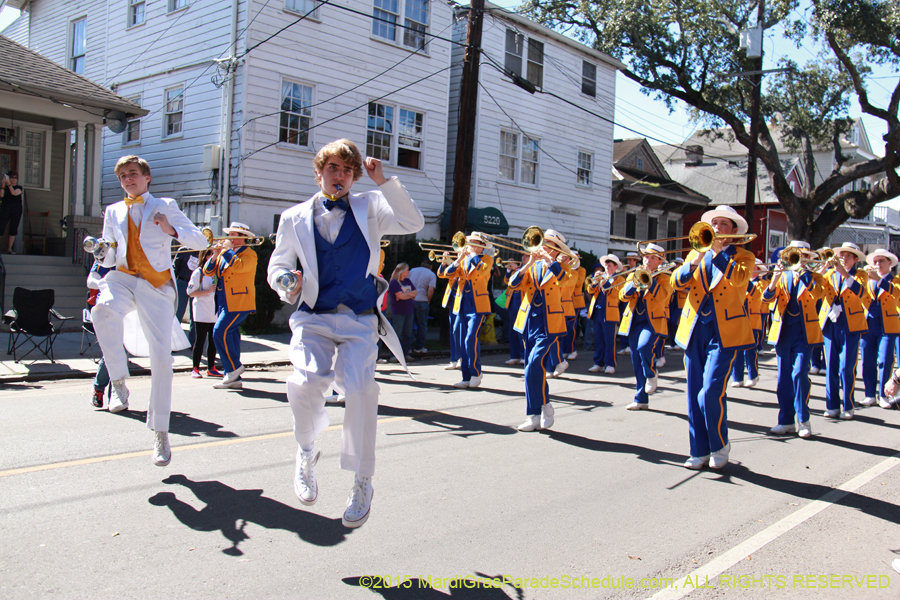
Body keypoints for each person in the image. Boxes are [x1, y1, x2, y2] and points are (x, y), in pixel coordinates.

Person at [267, 139, 423, 529]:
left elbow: (412, 222)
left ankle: (362, 480)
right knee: (305, 381)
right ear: (319, 172)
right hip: (313, 315)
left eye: (347, 170)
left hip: (357, 318)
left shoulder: (369, 206)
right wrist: (286, 280)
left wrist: (383, 182)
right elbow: (279, 266)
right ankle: (306, 450)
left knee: (359, 391)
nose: (341, 176)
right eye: (334, 168)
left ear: (355, 175)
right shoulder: (293, 217)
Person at [91, 155, 207, 467]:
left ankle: (161, 432)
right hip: (123, 278)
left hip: (156, 286)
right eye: (123, 176)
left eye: (133, 174)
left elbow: (198, 240)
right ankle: (117, 382)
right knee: (101, 312)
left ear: (147, 178)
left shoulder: (165, 204)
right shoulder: (113, 211)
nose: (128, 179)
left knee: (162, 360)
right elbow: (108, 257)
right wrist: (102, 252)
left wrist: (170, 228)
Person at [671, 206, 755, 470]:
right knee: (693, 392)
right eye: (714, 223)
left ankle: (719, 443)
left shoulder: (744, 256)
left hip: (725, 332)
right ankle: (699, 450)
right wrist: (695, 259)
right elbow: (676, 282)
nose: (717, 227)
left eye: (723, 224)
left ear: (732, 232)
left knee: (710, 392)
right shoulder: (697, 253)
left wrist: (718, 252)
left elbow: (740, 279)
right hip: (695, 328)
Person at [762, 242, 825, 440]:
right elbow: (766, 299)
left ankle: (803, 419)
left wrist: (803, 273)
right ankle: (786, 420)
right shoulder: (782, 275)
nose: (798, 258)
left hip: (804, 332)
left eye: (803, 255)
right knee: (783, 379)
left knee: (799, 374)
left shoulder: (815, 277)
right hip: (783, 331)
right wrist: (774, 280)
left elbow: (817, 293)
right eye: (795, 255)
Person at [507, 230, 570, 432]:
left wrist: (551, 261)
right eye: (544, 244)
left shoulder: (566, 267)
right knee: (531, 370)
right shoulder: (532, 266)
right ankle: (535, 414)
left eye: (550, 246)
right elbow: (513, 284)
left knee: (534, 364)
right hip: (528, 321)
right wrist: (527, 265)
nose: (544, 248)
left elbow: (565, 281)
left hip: (549, 323)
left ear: (557, 251)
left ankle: (544, 406)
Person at [202, 222, 257, 389]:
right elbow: (207, 271)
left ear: (243, 238)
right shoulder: (225, 254)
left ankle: (233, 368)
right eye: (229, 234)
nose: (228, 238)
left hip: (240, 301)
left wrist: (226, 251)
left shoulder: (250, 254)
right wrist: (214, 255)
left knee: (219, 332)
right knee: (231, 336)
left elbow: (239, 266)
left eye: (233, 235)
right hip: (223, 300)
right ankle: (232, 377)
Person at [817, 242, 869, 420]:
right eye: (842, 255)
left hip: (851, 324)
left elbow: (861, 293)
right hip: (830, 323)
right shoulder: (829, 274)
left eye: (848, 256)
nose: (843, 258)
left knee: (847, 366)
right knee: (831, 365)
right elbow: (815, 290)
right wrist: (823, 268)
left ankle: (848, 404)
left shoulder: (861, 275)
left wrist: (844, 273)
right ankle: (832, 406)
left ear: (855, 259)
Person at [620, 243, 673, 410]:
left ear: (660, 261)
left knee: (644, 348)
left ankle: (651, 373)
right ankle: (641, 399)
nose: (648, 261)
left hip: (653, 322)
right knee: (636, 361)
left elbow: (664, 297)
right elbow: (622, 296)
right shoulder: (634, 274)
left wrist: (650, 281)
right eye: (646, 257)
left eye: (652, 258)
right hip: (634, 321)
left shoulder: (665, 278)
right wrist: (634, 283)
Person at [443, 233, 494, 389]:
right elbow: (447, 274)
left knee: (470, 339)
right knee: (462, 340)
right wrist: (458, 259)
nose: (470, 245)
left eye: (474, 243)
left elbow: (483, 271)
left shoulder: (486, 259)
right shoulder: (464, 260)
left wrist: (471, 254)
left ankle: (476, 372)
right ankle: (466, 377)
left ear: (481, 246)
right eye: (469, 243)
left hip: (478, 304)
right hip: (462, 303)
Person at [859, 249, 900, 409]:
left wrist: (879, 280)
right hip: (869, 323)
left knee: (885, 360)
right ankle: (870, 394)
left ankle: (884, 394)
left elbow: (896, 294)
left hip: (888, 325)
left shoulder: (895, 280)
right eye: (875, 261)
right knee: (867, 360)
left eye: (881, 261)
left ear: (889, 263)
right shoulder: (867, 280)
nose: (877, 264)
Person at [731, 259, 769, 388]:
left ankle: (753, 375)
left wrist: (745, 281)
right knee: (737, 350)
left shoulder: (762, 283)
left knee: (750, 350)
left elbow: (759, 296)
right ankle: (737, 377)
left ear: (758, 270)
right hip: (739, 319)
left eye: (753, 268)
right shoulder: (740, 284)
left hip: (752, 321)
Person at [587, 255, 624, 374]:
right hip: (597, 310)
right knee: (598, 339)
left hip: (610, 312)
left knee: (609, 340)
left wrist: (603, 282)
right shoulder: (602, 276)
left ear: (615, 267)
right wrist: (594, 282)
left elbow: (615, 295)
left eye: (609, 266)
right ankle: (598, 363)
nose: (607, 268)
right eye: (606, 266)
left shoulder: (620, 279)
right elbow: (590, 291)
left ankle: (610, 364)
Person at [187, 249, 219, 379]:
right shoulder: (198, 272)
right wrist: (207, 291)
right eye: (210, 254)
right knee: (200, 340)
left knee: (213, 340)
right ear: (205, 256)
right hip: (201, 310)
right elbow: (190, 292)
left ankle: (211, 367)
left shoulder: (217, 272)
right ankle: (195, 368)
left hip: (214, 310)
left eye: (214, 255)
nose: (212, 257)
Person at [388, 262, 417, 361]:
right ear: (401, 272)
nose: (408, 272)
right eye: (407, 270)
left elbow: (415, 293)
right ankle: (394, 355)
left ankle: (405, 354)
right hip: (398, 312)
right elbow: (400, 296)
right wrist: (409, 294)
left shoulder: (408, 281)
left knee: (408, 334)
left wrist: (405, 294)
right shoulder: (394, 282)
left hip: (409, 311)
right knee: (397, 333)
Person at [407, 260, 436, 354]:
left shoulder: (412, 271)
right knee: (422, 325)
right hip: (422, 300)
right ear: (431, 266)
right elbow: (430, 289)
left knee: (409, 325)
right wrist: (428, 301)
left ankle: (407, 348)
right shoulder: (431, 275)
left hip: (410, 299)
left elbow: (406, 283)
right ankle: (418, 347)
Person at [503, 257, 525, 365]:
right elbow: (507, 282)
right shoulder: (516, 271)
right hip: (512, 299)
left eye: (526, 256)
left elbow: (520, 282)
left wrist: (516, 270)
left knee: (521, 329)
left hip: (522, 298)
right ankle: (515, 355)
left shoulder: (527, 269)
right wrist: (508, 270)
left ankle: (524, 355)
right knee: (513, 329)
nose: (523, 258)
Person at [0, 171, 23, 254]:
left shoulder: (19, 187)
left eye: (15, 178)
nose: (13, 179)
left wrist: (9, 184)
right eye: (11, 177)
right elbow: (1, 195)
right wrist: (3, 185)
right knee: (1, 225)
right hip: (5, 208)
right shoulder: (6, 187)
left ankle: (9, 249)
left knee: (13, 227)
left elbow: (14, 193)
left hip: (16, 209)